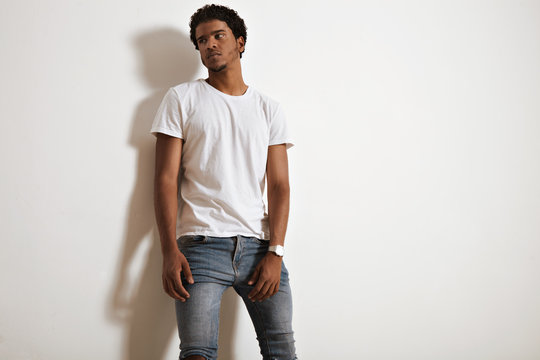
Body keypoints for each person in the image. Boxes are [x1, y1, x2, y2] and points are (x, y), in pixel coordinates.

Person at [150, 4, 297, 360]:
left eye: (219, 36)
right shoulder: (181, 99)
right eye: (202, 40)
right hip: (200, 246)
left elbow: (279, 186)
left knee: (281, 351)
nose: (210, 45)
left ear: (240, 42)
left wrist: (275, 252)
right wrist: (170, 250)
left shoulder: (268, 108)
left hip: (259, 247)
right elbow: (166, 180)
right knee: (197, 353)